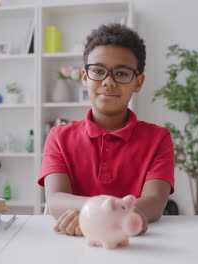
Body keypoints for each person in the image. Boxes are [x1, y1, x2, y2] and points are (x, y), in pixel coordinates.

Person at [38, 23, 175, 236]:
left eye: (121, 74)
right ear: (84, 77)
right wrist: (118, 212)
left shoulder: (158, 138)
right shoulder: (58, 136)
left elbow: (155, 203)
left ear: (138, 82)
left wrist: (93, 213)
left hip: (138, 245)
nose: (108, 82)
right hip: (73, 242)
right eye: (99, 71)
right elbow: (55, 199)